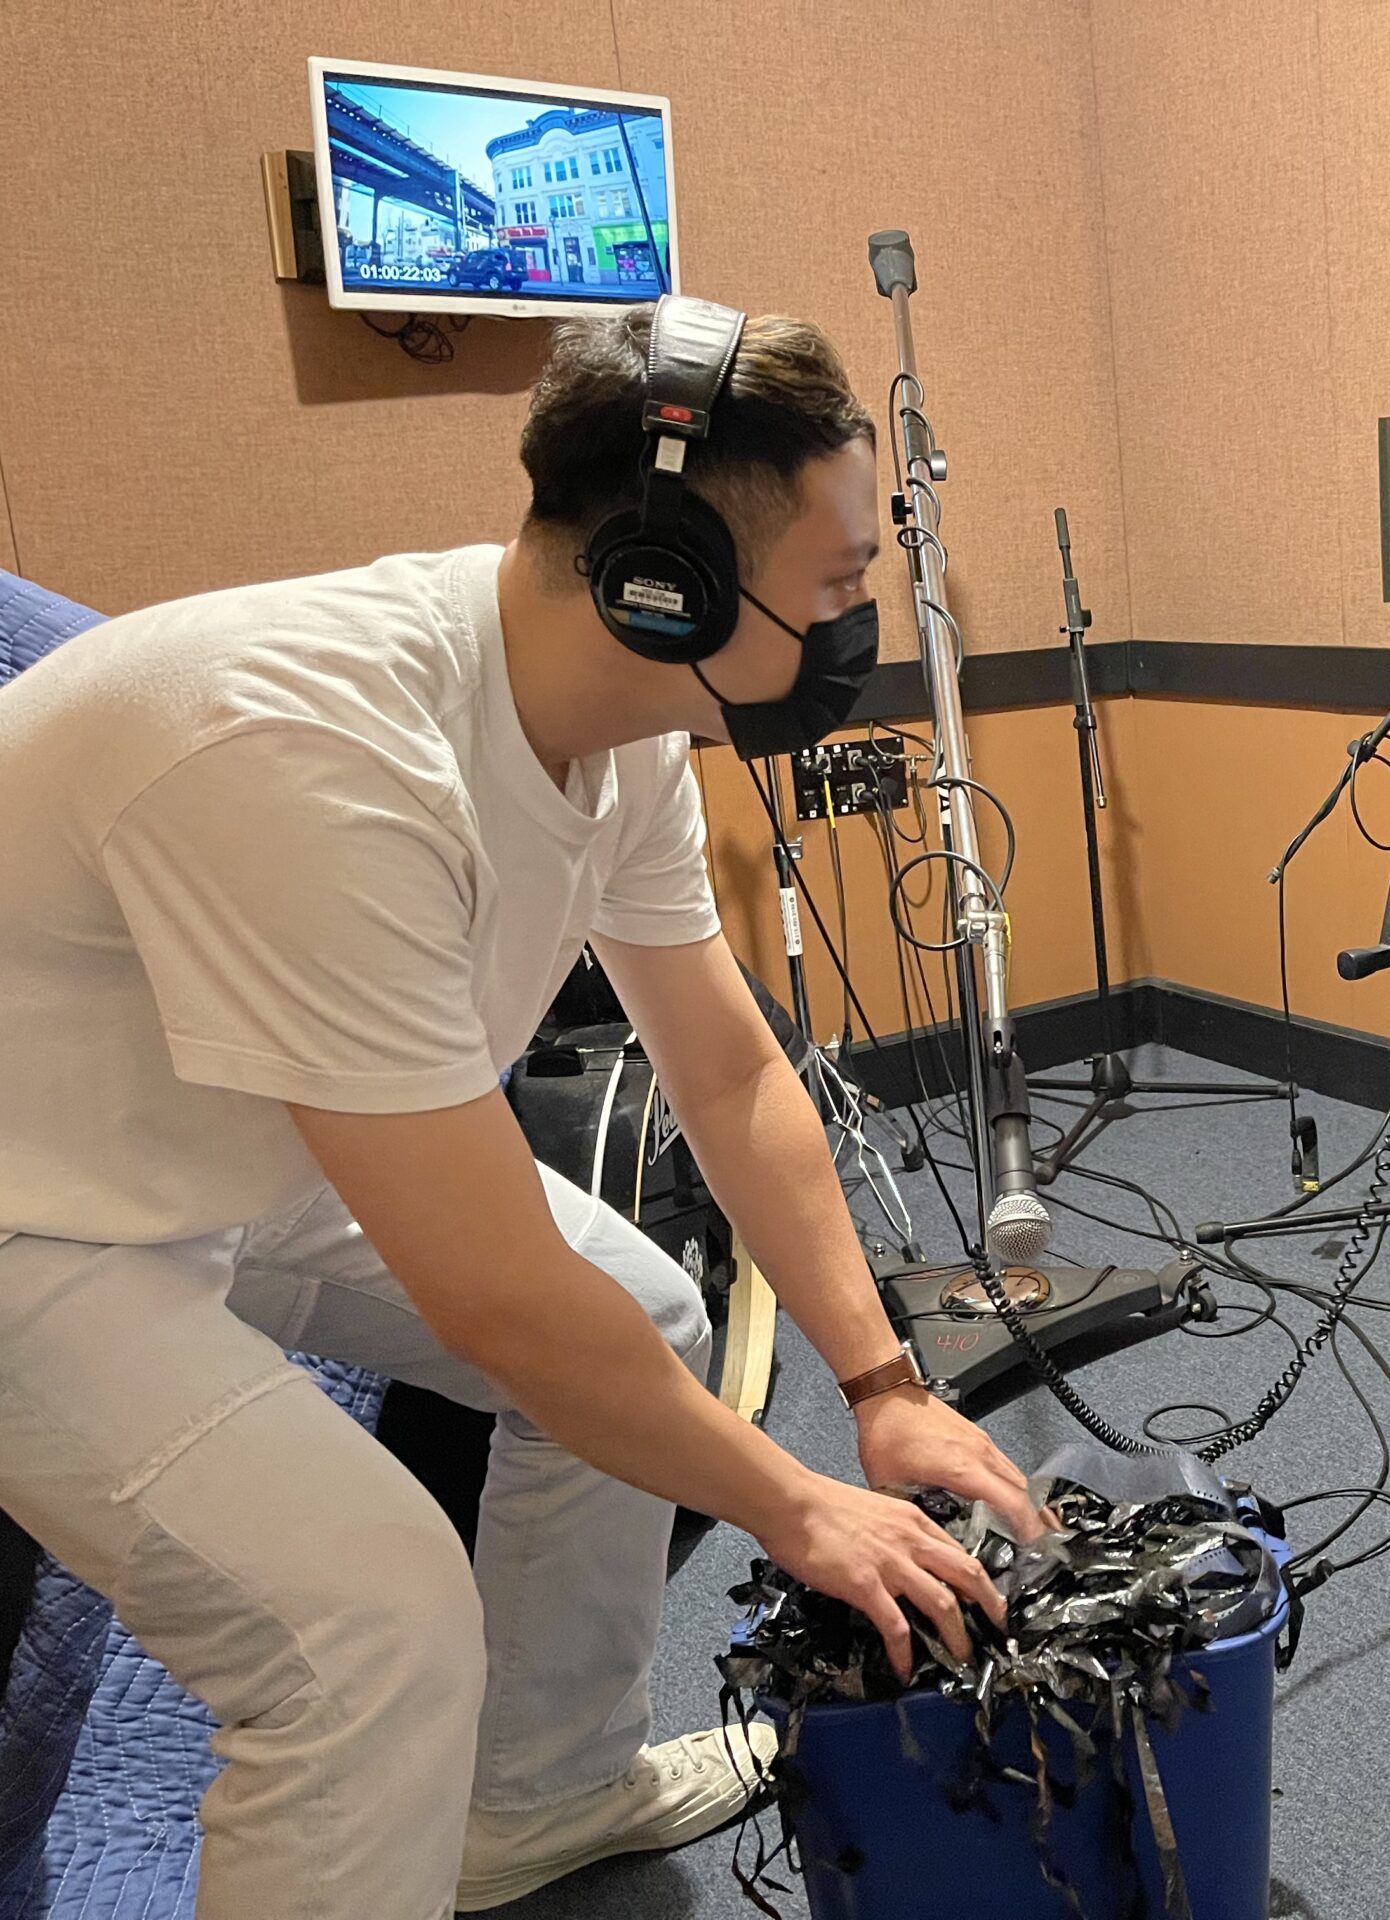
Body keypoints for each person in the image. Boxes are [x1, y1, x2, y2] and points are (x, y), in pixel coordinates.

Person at [0, 297, 1037, 1916]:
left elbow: (729, 1066)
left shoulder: (614, 723)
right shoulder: (320, 748)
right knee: (371, 1630)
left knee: (648, 1312)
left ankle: (541, 1797)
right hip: (35, 1214)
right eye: (840, 587)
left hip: (233, 1129)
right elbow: (492, 1298)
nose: (858, 630)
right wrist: (799, 1510)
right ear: (671, 575)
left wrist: (880, 1383)